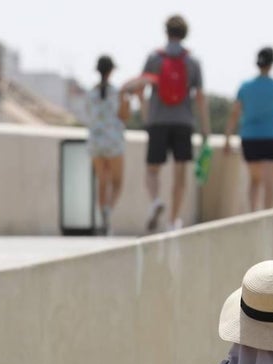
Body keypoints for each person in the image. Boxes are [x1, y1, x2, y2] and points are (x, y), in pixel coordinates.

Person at [125, 14, 211, 233]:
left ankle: (155, 201)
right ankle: (174, 220)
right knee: (180, 172)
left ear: (166, 32)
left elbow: (139, 89)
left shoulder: (154, 58)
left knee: (152, 170)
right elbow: (200, 96)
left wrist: (147, 115)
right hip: (183, 121)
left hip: (158, 120)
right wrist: (205, 128)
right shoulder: (193, 62)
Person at [223, 47, 273, 212]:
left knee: (255, 180)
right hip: (272, 137)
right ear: (272, 63)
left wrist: (228, 138)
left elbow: (234, 114)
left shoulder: (245, 86)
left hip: (250, 138)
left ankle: (253, 214)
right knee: (270, 184)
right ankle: (268, 217)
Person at [86, 55, 131, 235]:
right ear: (111, 71)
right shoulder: (118, 93)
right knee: (117, 182)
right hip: (113, 142)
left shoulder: (91, 93)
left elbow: (89, 115)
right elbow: (124, 117)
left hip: (95, 142)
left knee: (102, 181)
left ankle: (102, 216)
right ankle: (108, 212)